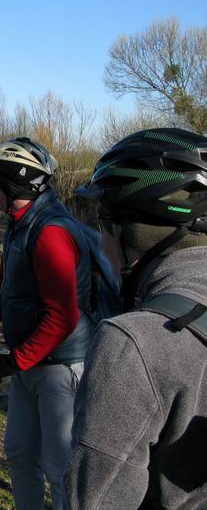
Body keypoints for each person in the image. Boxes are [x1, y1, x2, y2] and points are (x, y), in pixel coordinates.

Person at [65, 128, 207, 509]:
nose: (100, 240)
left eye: (103, 224)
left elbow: (95, 501)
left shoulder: (133, 343)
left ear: (136, 233)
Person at [0, 137, 94, 510]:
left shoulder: (50, 233)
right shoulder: (18, 226)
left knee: (59, 468)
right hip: (29, 365)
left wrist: (14, 360)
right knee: (19, 456)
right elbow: (3, 286)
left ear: (10, 186)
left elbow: (64, 316)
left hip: (59, 368)